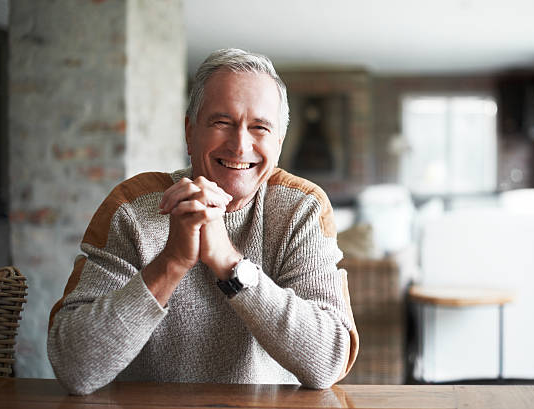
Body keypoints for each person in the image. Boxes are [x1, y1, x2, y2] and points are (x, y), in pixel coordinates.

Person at [47, 48, 358, 395]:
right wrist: (172, 262)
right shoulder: (132, 209)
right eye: (222, 122)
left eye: (260, 127)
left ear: (279, 143)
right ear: (190, 131)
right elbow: (74, 366)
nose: (241, 146)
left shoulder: (301, 209)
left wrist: (229, 263)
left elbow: (328, 360)